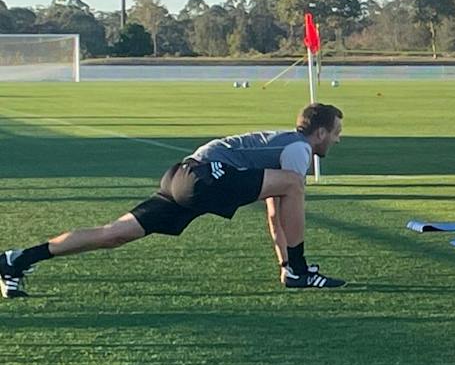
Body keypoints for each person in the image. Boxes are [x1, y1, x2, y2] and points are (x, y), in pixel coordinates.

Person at [2, 103, 347, 296]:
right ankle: (302, 271)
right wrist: (294, 269)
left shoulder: (282, 149)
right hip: (204, 176)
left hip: (181, 176)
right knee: (293, 184)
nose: (337, 140)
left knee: (113, 234)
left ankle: (16, 260)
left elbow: (276, 214)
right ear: (320, 133)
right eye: (336, 133)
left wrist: (284, 266)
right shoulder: (299, 149)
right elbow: (288, 192)